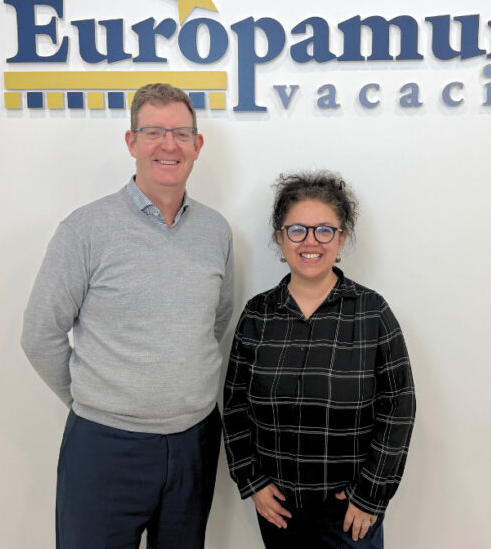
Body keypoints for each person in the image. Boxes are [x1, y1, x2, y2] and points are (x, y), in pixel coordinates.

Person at [21, 83, 234, 549]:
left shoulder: (216, 231)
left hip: (195, 442)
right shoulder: (85, 230)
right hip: (105, 446)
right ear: (131, 141)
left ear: (197, 145)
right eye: (153, 132)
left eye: (180, 133)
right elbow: (40, 334)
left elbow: (215, 321)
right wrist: (94, 400)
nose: (168, 145)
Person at [222, 171, 415, 548]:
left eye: (324, 230)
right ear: (280, 238)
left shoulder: (372, 313)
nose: (310, 241)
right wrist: (252, 481)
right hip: (278, 508)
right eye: (297, 230)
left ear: (341, 238)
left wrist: (371, 493)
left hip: (350, 511)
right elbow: (234, 405)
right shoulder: (258, 315)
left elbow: (399, 408)